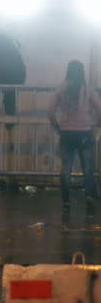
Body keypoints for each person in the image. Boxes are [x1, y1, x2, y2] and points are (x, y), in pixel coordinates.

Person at [48, 60, 101, 210]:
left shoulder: (61, 89)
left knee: (65, 170)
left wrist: (57, 126)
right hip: (85, 133)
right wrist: (97, 125)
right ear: (82, 72)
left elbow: (50, 111)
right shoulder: (88, 90)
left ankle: (66, 202)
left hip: (66, 134)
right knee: (88, 169)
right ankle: (89, 196)